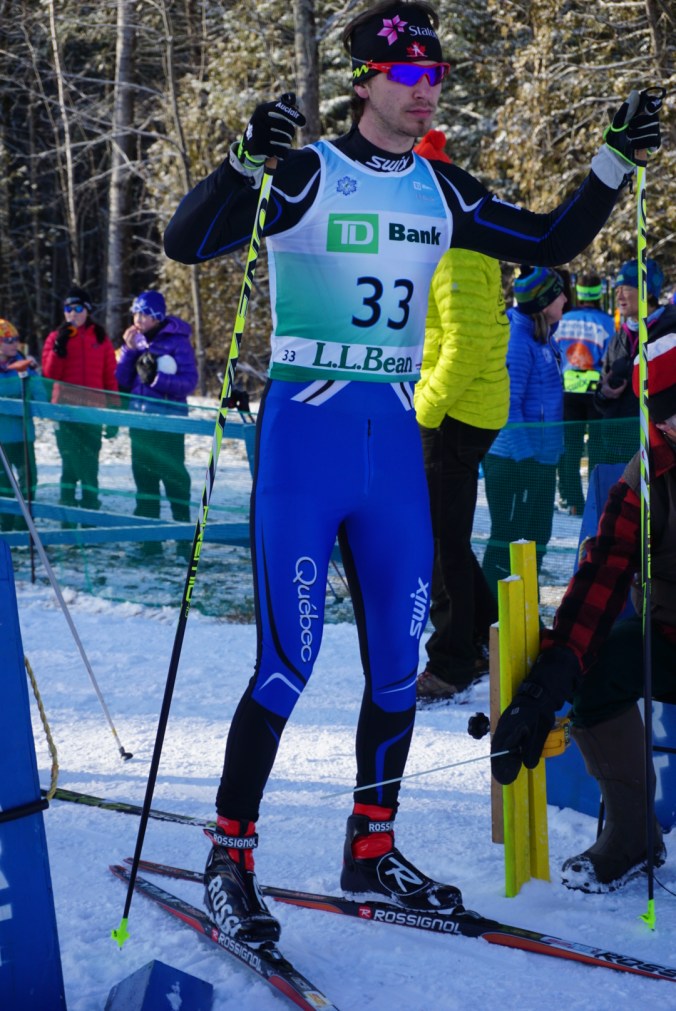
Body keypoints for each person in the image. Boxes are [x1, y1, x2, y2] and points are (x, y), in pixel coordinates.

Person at [162, 0, 660, 940]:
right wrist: (239, 160)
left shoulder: (445, 190)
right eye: (407, 75)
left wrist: (614, 161)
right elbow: (189, 243)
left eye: (435, 75)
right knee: (286, 664)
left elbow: (550, 240)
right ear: (365, 82)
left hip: (390, 439)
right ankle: (230, 856)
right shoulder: (308, 174)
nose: (426, 89)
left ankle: (371, 844)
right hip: (307, 433)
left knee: (398, 668)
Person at [491, 332, 676, 892]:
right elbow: (602, 577)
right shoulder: (646, 478)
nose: (672, 430)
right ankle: (633, 834)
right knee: (595, 672)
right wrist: (550, 681)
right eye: (668, 419)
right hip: (670, 632)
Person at [412, 129, 508, 702]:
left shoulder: (458, 249)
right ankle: (496, 637)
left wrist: (425, 409)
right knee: (446, 537)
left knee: (441, 542)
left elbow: (467, 343)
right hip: (456, 409)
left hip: (455, 414)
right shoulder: (442, 246)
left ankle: (453, 661)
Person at [481, 266, 567, 599]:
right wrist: (526, 459)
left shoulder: (544, 336)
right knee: (510, 541)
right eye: (558, 293)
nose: (564, 298)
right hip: (515, 462)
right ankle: (492, 622)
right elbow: (507, 406)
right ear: (544, 302)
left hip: (540, 461)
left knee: (536, 540)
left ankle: (524, 616)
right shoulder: (517, 340)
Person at [115, 290, 198, 559]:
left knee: (174, 481)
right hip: (140, 424)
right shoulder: (135, 341)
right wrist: (128, 351)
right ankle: (150, 543)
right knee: (145, 483)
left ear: (157, 317)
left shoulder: (177, 341)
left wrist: (156, 379)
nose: (138, 319)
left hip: (168, 426)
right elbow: (122, 381)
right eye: (135, 313)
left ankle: (184, 541)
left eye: (144, 314)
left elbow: (189, 382)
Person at [41, 286, 118, 513]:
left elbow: (110, 378)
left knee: (90, 465)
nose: (72, 313)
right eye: (68, 308)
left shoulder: (101, 338)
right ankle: (67, 514)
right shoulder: (56, 337)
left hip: (93, 412)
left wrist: (113, 414)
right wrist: (58, 349)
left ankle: (90, 512)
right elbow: (49, 375)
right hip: (65, 412)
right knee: (69, 465)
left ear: (87, 310)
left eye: (77, 308)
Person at [593, 258, 676, 464]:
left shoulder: (670, 331)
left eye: (627, 287)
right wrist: (603, 394)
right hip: (615, 448)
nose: (618, 294)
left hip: (658, 450)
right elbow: (602, 392)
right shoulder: (618, 338)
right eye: (617, 288)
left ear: (647, 291)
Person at [552, 272, 615, 514]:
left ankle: (572, 499)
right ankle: (596, 500)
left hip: (567, 392)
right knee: (598, 448)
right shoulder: (606, 322)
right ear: (599, 294)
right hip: (596, 393)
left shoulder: (565, 320)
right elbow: (612, 357)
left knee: (570, 448)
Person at [0, 320, 46, 530]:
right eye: (8, 340)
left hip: (23, 436)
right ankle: (6, 527)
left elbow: (40, 398)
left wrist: (32, 375)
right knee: (4, 486)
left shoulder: (24, 365)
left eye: (16, 339)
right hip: (2, 441)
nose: (13, 344)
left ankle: (25, 526)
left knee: (29, 482)